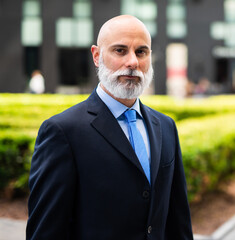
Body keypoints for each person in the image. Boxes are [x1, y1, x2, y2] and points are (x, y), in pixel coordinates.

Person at [26, 15, 193, 240]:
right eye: (120, 50)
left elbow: (178, 222)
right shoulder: (62, 132)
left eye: (141, 52)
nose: (133, 62)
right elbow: (45, 232)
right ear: (96, 56)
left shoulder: (165, 126)